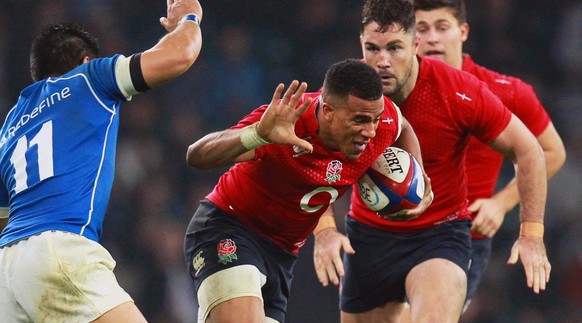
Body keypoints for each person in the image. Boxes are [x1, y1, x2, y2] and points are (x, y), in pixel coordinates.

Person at [312, 0, 551, 322]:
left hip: (439, 236)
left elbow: (530, 151)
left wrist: (531, 234)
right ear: (361, 46)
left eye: (394, 48)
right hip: (368, 238)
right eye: (373, 49)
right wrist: (325, 230)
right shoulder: (343, 91)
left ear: (415, 44)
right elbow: (308, 160)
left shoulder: (459, 91)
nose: (382, 62)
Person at [183, 58, 432, 323]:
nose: (370, 132)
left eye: (376, 119)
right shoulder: (286, 122)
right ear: (328, 112)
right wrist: (258, 134)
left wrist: (419, 175)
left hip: (282, 254)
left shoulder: (382, 123)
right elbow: (196, 155)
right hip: (230, 226)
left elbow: (402, 125)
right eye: (359, 120)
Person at [0, 0, 203, 321]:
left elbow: (3, 211)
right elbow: (180, 55)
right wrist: (189, 17)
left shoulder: (11, 124)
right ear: (84, 60)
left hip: (7, 269)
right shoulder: (88, 79)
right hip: (59, 250)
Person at [413, 0, 566, 312]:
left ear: (463, 31)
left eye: (442, 27)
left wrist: (501, 202)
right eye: (421, 29)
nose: (432, 38)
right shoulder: (389, 90)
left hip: (461, 238)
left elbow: (552, 152)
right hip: (388, 232)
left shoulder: (505, 91)